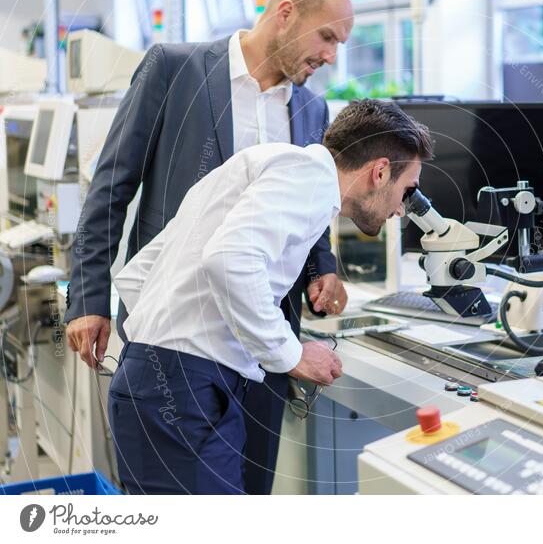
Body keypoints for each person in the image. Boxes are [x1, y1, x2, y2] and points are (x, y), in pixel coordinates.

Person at [64, 0, 353, 494]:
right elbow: (112, 184)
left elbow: (301, 213)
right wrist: (87, 297)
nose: (332, 56)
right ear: (285, 12)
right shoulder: (175, 69)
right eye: (327, 36)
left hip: (262, 343)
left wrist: (324, 268)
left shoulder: (312, 109)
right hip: (177, 342)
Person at [107, 99, 433, 494]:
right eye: (408, 190)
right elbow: (229, 259)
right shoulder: (310, 176)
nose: (403, 209)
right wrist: (290, 354)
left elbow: (143, 269)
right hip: (184, 393)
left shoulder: (267, 163)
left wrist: (160, 349)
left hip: (162, 382)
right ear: (380, 172)